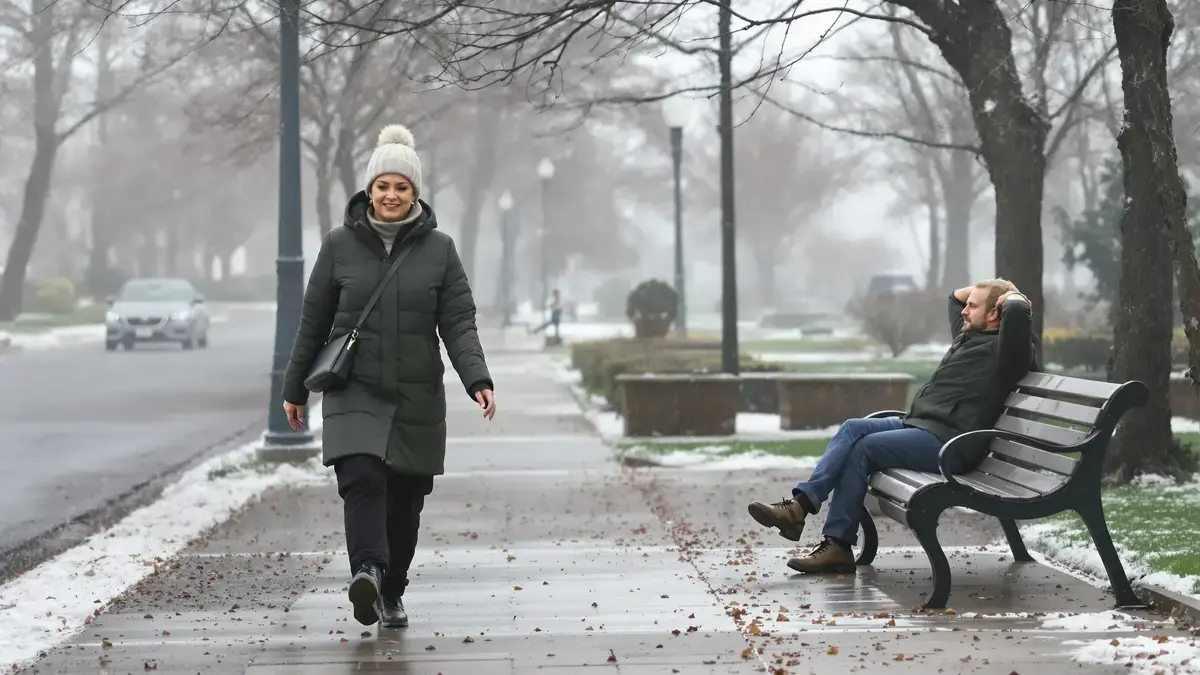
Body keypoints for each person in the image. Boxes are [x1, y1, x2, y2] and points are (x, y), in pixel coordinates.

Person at [280, 123, 496, 629]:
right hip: (354, 390)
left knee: (404, 504)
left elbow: (458, 323)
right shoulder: (339, 246)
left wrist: (477, 377)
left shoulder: (440, 250)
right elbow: (312, 322)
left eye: (401, 186)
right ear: (369, 191)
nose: (391, 195)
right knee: (362, 482)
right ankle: (368, 573)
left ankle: (391, 591)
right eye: (383, 186)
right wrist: (293, 389)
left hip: (416, 395)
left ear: (415, 192)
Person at [747, 279, 1037, 573]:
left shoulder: (1008, 352)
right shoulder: (969, 336)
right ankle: (799, 506)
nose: (964, 311)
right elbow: (955, 298)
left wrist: (1013, 295)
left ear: (994, 315)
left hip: (952, 442)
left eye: (974, 306)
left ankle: (837, 544)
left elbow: (1012, 313)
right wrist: (996, 287)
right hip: (923, 426)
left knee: (864, 449)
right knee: (852, 428)